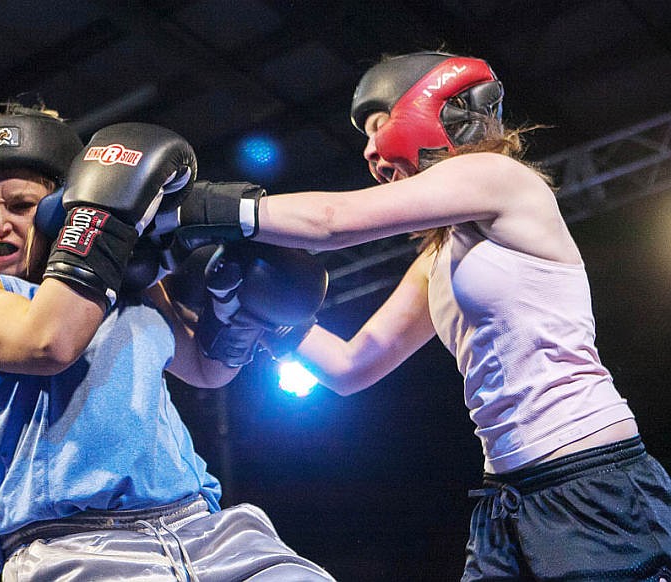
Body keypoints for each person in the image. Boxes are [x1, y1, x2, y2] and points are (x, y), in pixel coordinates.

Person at [174, 52, 671, 580]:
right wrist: (264, 316)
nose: (368, 149)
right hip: (505, 499)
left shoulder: (501, 178)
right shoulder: (438, 257)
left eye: (377, 124)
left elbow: (332, 222)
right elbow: (353, 365)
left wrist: (189, 206)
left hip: (591, 481)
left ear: (431, 108)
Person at [0, 102, 336, 581]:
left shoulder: (129, 286)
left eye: (20, 205)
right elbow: (50, 341)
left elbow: (206, 370)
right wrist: (104, 218)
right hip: (73, 547)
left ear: (61, 208)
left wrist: (238, 316)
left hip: (207, 528)